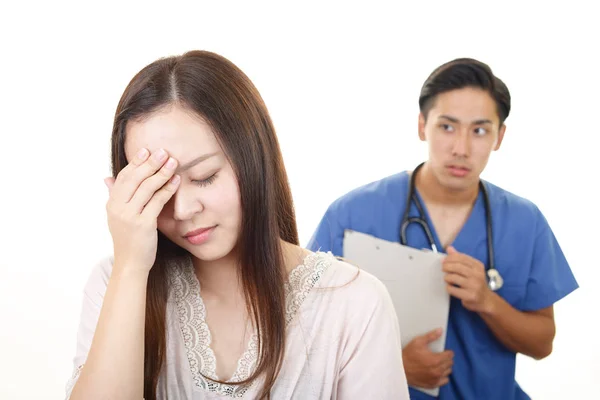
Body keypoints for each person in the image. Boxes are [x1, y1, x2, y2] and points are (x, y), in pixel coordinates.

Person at [64, 50, 410, 400]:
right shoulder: (115, 282)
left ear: (253, 156)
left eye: (205, 176)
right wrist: (131, 267)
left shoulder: (352, 303)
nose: (183, 209)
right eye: (157, 188)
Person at [307, 58, 578, 400]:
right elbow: (304, 333)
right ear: (422, 126)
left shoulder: (525, 222)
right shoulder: (352, 214)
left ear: (499, 136)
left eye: (479, 130)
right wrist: (393, 366)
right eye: (447, 127)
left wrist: (487, 301)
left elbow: (542, 343)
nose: (461, 149)